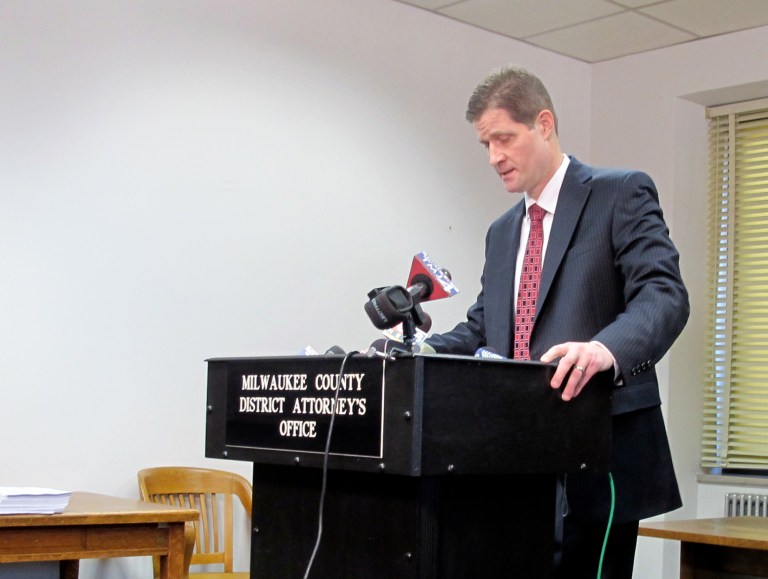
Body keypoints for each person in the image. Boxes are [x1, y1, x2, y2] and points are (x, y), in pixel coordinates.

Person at [423, 65, 689, 578]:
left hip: (600, 450)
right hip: (517, 458)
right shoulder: (503, 232)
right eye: (485, 144)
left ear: (543, 124)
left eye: (504, 138)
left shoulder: (620, 193)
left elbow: (664, 294)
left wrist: (603, 350)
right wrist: (421, 351)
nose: (494, 156)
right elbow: (484, 328)